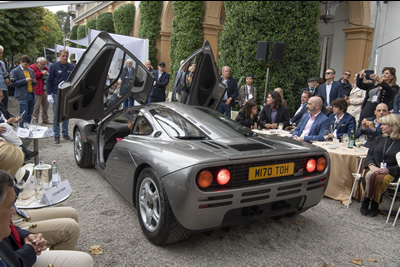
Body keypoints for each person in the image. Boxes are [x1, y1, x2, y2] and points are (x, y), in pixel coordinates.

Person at [0, 171, 94, 267]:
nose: (13, 211)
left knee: (72, 213)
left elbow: (11, 228)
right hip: (21, 256)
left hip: (18, 250)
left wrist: (26, 236)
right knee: (71, 230)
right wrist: (29, 249)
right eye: (9, 206)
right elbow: (12, 262)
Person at [0, 141, 80, 250]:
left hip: (15, 213)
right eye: (15, 170)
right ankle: (55, 257)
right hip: (11, 221)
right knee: (70, 228)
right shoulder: (4, 185)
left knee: (71, 212)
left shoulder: (6, 182)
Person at [360, 113, 400, 217]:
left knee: (379, 178)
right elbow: (370, 155)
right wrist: (371, 166)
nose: (381, 126)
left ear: (393, 126)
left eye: (384, 124)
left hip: (391, 171)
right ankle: (366, 199)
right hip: (374, 167)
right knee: (368, 174)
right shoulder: (379, 139)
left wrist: (388, 170)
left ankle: (375, 202)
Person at [47, 49, 74, 144]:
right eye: (63, 56)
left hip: (68, 93)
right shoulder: (53, 66)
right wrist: (48, 93)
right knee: (56, 114)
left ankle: (65, 133)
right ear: (59, 56)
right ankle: (56, 135)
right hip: (57, 92)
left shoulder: (71, 67)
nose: (65, 58)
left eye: (66, 56)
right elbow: (49, 80)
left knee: (66, 113)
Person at [10, 55, 37, 127]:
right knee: (23, 113)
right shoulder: (15, 71)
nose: (27, 66)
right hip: (22, 95)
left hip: (31, 94)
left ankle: (27, 128)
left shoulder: (30, 71)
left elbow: (35, 83)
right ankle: (21, 129)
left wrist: (33, 81)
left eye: (28, 65)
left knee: (29, 113)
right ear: (21, 62)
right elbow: (12, 84)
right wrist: (24, 81)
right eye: (25, 64)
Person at [29, 57, 51, 125]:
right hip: (37, 89)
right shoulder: (32, 68)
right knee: (36, 106)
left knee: (46, 105)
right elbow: (33, 76)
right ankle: (35, 120)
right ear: (38, 63)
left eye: (45, 64)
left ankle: (45, 118)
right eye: (42, 64)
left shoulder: (45, 69)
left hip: (45, 89)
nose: (44, 66)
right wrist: (41, 73)